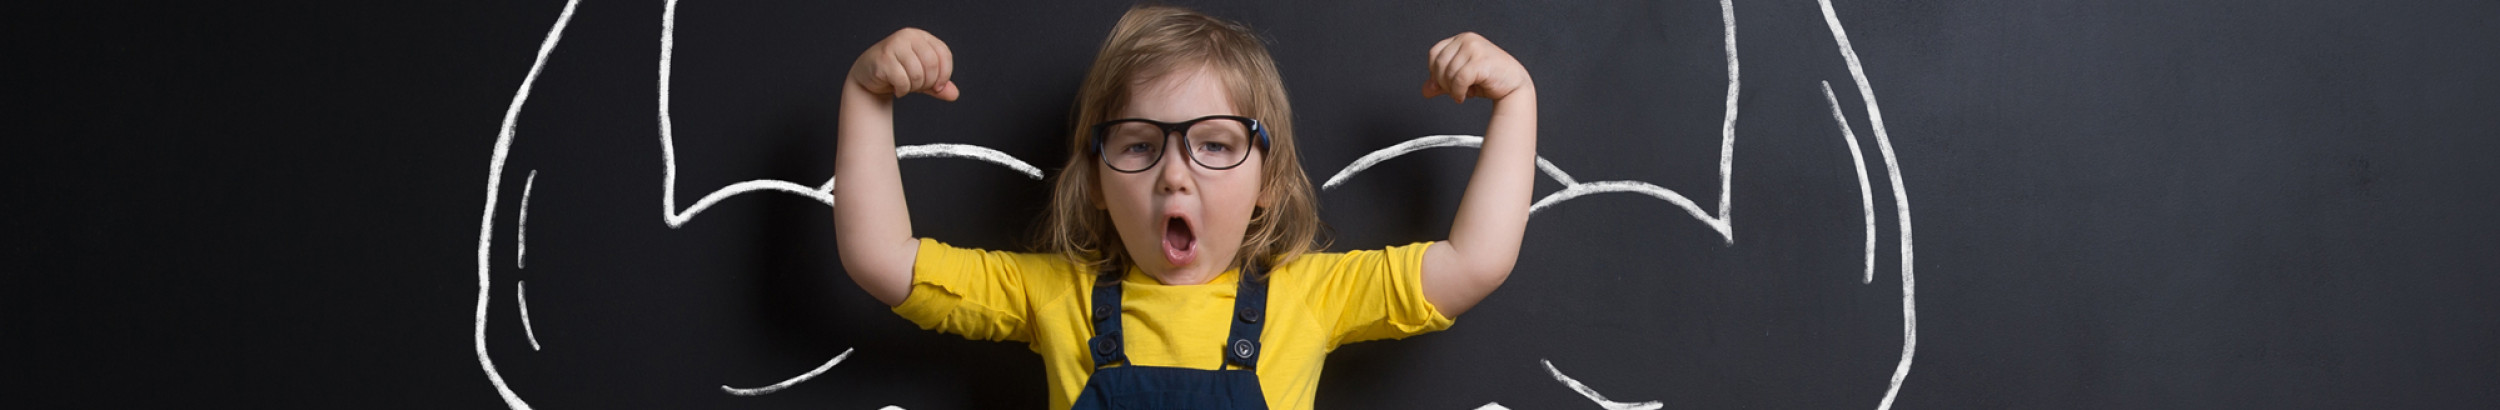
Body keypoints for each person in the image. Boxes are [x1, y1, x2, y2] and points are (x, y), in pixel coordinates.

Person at [831, 4, 1535, 409]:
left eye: (1216, 145)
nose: (1175, 175)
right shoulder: (1054, 295)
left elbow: (1474, 261)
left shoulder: (1310, 299)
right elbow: (881, 259)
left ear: (1268, 180)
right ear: (1098, 181)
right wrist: (866, 96)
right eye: (1138, 145)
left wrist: (1516, 98)